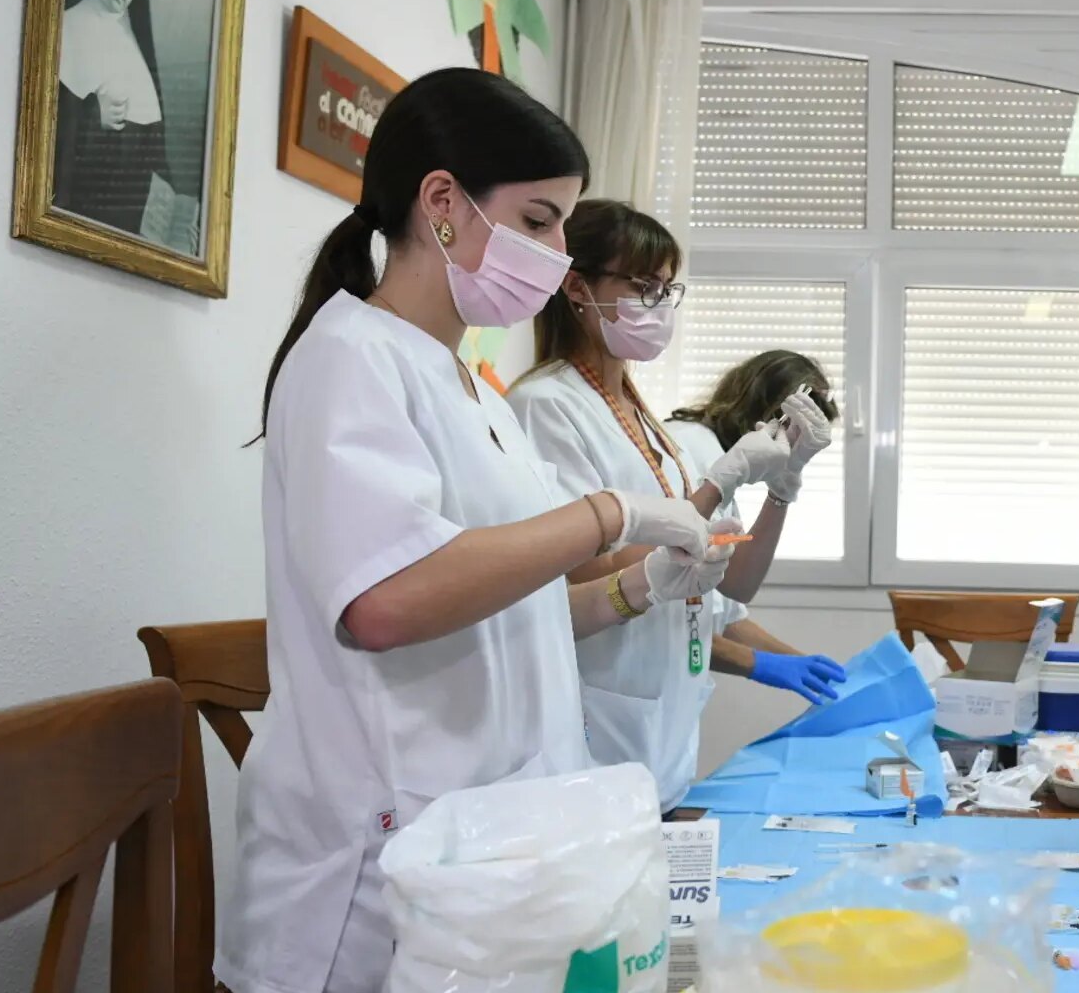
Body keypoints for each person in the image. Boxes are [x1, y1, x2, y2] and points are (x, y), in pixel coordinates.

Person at [220, 69, 734, 993]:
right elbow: (385, 603)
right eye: (539, 221)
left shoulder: (471, 390)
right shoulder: (350, 359)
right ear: (444, 203)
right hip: (378, 871)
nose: (557, 251)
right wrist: (605, 516)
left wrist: (635, 587)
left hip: (490, 855)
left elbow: (509, 613)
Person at [508, 200, 846, 815]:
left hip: (664, 721)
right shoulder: (545, 405)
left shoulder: (647, 423)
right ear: (577, 286)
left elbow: (733, 582)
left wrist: (783, 487)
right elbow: (577, 574)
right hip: (600, 710)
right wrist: (722, 479)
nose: (658, 305)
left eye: (667, 289)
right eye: (643, 286)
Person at [664, 349, 848, 686]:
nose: (795, 447)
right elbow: (668, 601)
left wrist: (802, 663)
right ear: (768, 412)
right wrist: (760, 664)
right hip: (631, 692)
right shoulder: (686, 449)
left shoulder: (721, 458)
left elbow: (733, 597)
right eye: (796, 434)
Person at [55, 0, 193, 249]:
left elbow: (154, 164)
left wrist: (180, 224)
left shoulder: (135, 49)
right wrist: (91, 115)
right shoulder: (66, 29)